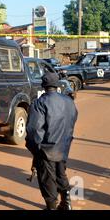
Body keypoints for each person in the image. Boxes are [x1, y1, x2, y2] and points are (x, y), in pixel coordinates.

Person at [25, 71, 78, 210]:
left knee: (47, 179)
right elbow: (73, 120)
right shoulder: (68, 101)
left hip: (46, 148)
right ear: (57, 84)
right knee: (61, 174)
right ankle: (66, 204)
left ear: (44, 85)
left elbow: (33, 130)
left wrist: (36, 150)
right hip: (64, 145)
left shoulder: (40, 102)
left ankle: (52, 207)